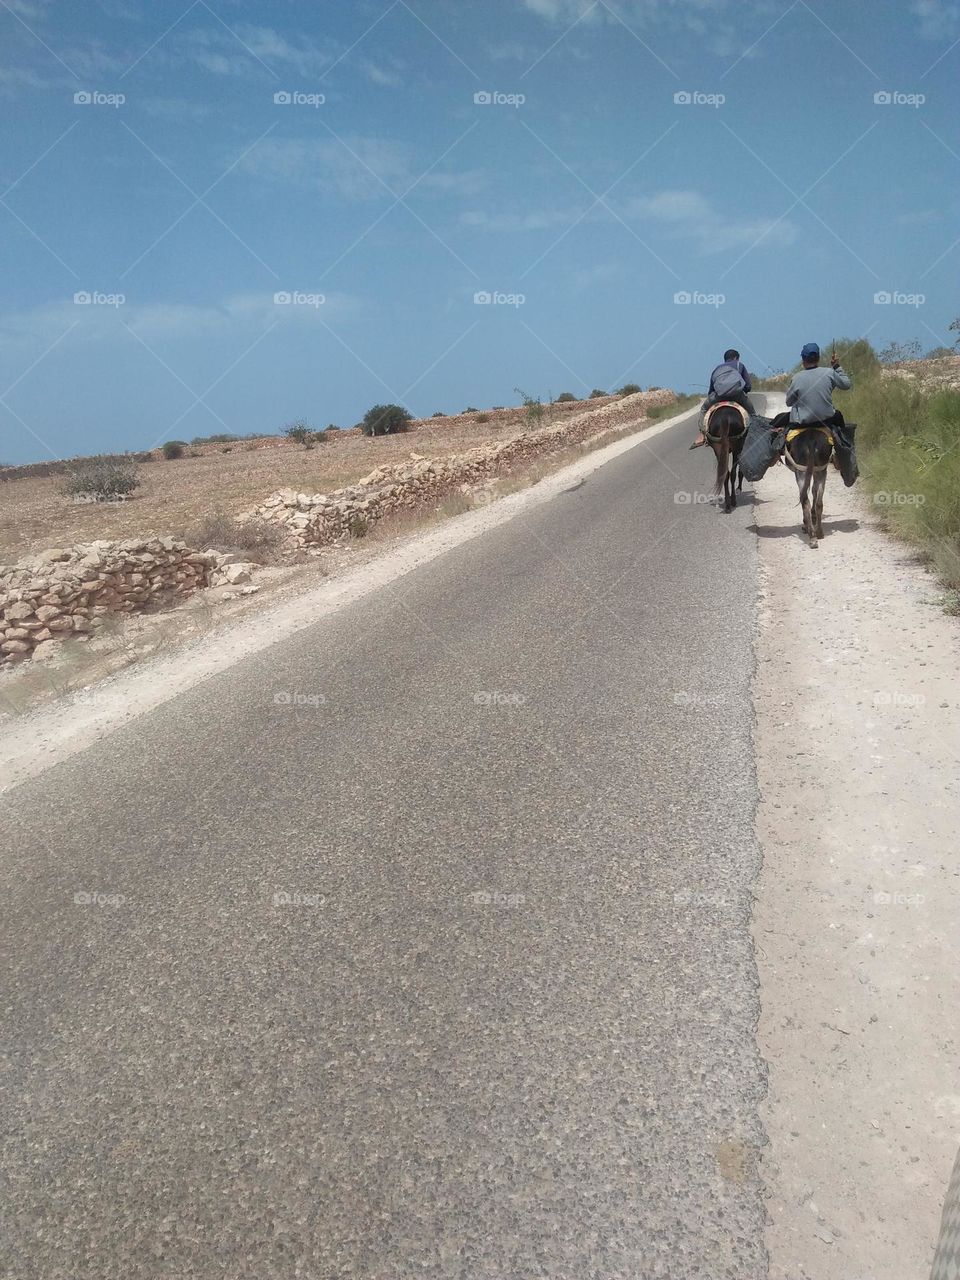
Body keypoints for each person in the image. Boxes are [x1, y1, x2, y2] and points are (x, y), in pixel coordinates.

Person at [690, 349, 756, 448]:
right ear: (736, 358)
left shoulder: (717, 369)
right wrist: (742, 391)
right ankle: (754, 433)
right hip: (737, 396)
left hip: (718, 396)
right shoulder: (739, 365)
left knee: (703, 409)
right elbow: (748, 386)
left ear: (725, 359)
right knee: (752, 414)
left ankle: (703, 434)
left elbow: (711, 390)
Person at [784, 342, 852, 425]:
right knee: (839, 418)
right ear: (818, 358)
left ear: (803, 359)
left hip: (802, 424)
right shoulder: (829, 373)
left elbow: (788, 402)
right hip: (827, 421)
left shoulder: (796, 378)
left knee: (781, 420)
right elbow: (846, 385)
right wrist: (836, 366)